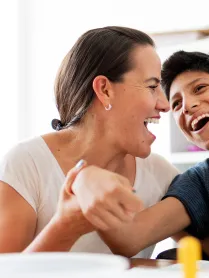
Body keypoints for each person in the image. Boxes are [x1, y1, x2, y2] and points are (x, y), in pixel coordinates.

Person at [67, 50, 209, 264]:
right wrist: (83, 179)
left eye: (199, 88)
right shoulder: (203, 183)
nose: (186, 106)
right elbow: (128, 238)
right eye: (176, 104)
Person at [0, 26, 180, 258]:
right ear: (104, 90)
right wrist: (66, 226)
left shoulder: (160, 174)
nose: (165, 105)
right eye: (152, 87)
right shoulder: (25, 164)